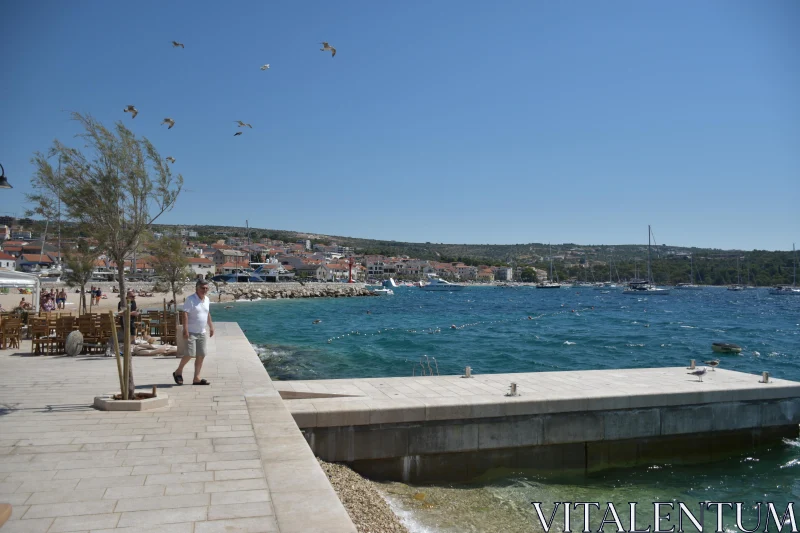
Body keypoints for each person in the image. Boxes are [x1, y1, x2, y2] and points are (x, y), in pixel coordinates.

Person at [173, 279, 214, 386]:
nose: (204, 290)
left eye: (206, 288)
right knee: (190, 354)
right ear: (197, 288)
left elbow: (207, 313)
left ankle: (196, 378)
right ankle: (178, 371)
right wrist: (185, 330)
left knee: (201, 354)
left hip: (202, 332)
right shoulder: (190, 299)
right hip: (191, 332)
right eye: (202, 288)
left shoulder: (207, 299)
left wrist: (211, 326)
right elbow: (185, 314)